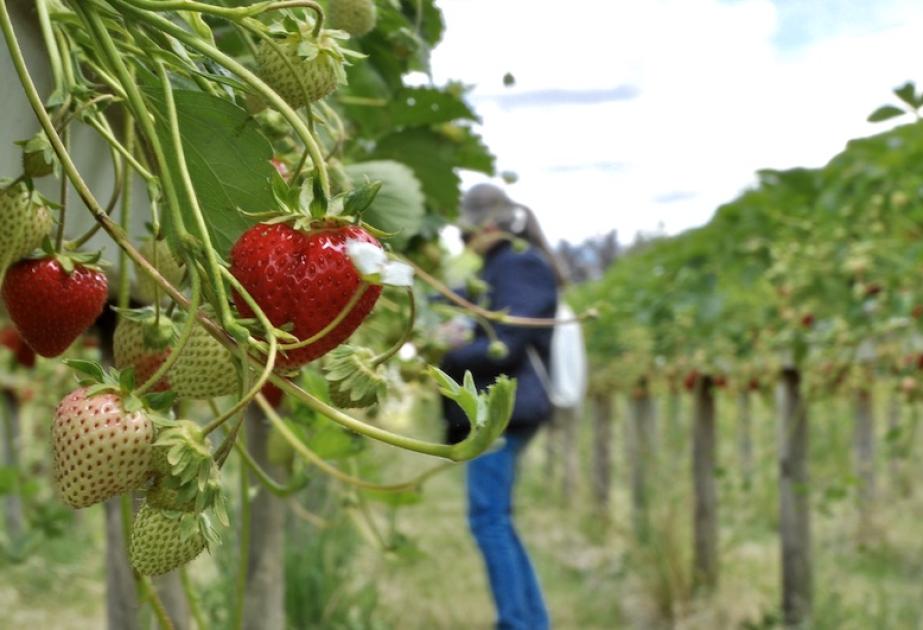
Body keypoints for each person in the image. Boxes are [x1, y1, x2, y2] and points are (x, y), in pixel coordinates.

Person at [440, 183, 564, 630]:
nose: (463, 244)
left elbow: (505, 345)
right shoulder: (504, 266)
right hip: (507, 408)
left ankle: (516, 622)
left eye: (464, 234)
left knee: (488, 518)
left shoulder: (519, 264)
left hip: (506, 409)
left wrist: (448, 351)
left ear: (485, 225)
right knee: (498, 518)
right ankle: (530, 622)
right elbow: (469, 307)